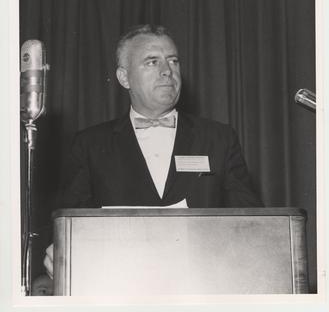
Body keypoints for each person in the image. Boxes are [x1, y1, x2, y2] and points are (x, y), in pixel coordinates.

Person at [42, 24, 262, 283]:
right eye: (152, 62)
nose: (167, 71)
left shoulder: (219, 138)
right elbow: (69, 229)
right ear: (124, 78)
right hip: (120, 285)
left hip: (203, 284)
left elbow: (253, 224)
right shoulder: (89, 144)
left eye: (173, 61)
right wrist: (59, 251)